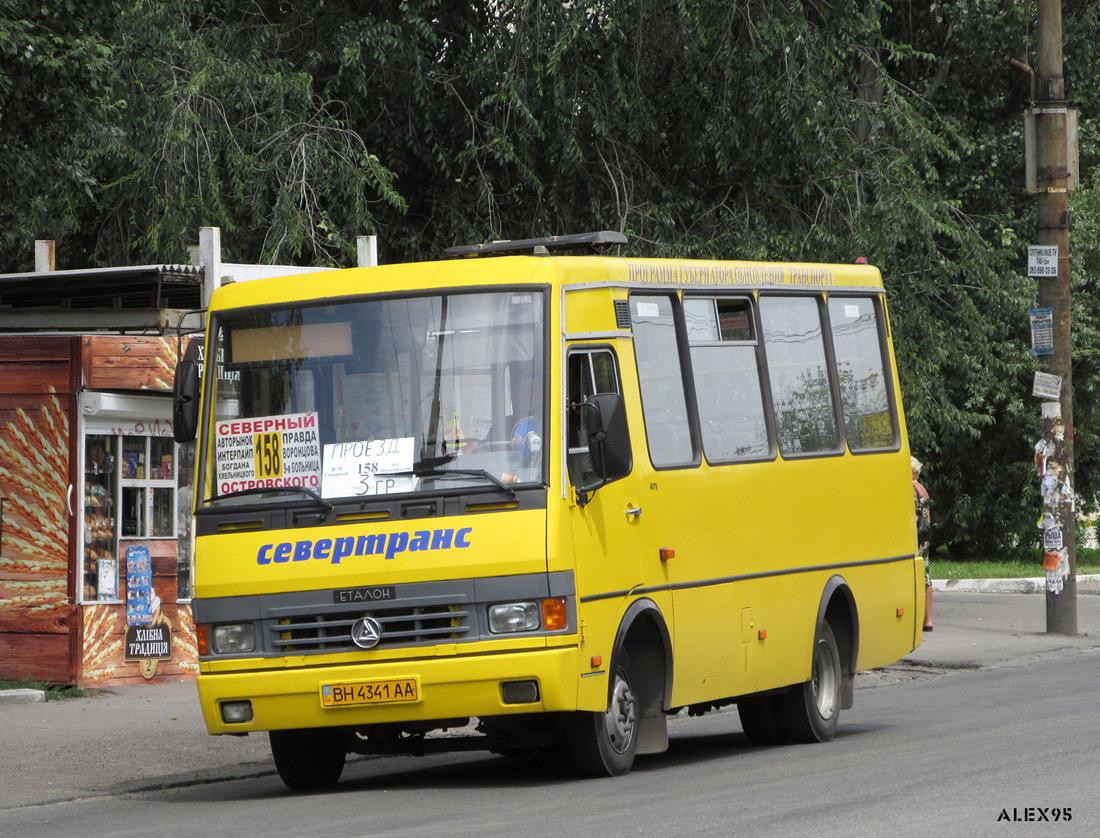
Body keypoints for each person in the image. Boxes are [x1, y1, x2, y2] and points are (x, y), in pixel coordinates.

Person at [913, 456, 933, 631]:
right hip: (924, 539)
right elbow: (928, 519)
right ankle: (928, 620)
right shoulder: (924, 490)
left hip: (912, 538)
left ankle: (914, 618)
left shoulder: (908, 489)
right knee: (926, 577)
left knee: (912, 575)